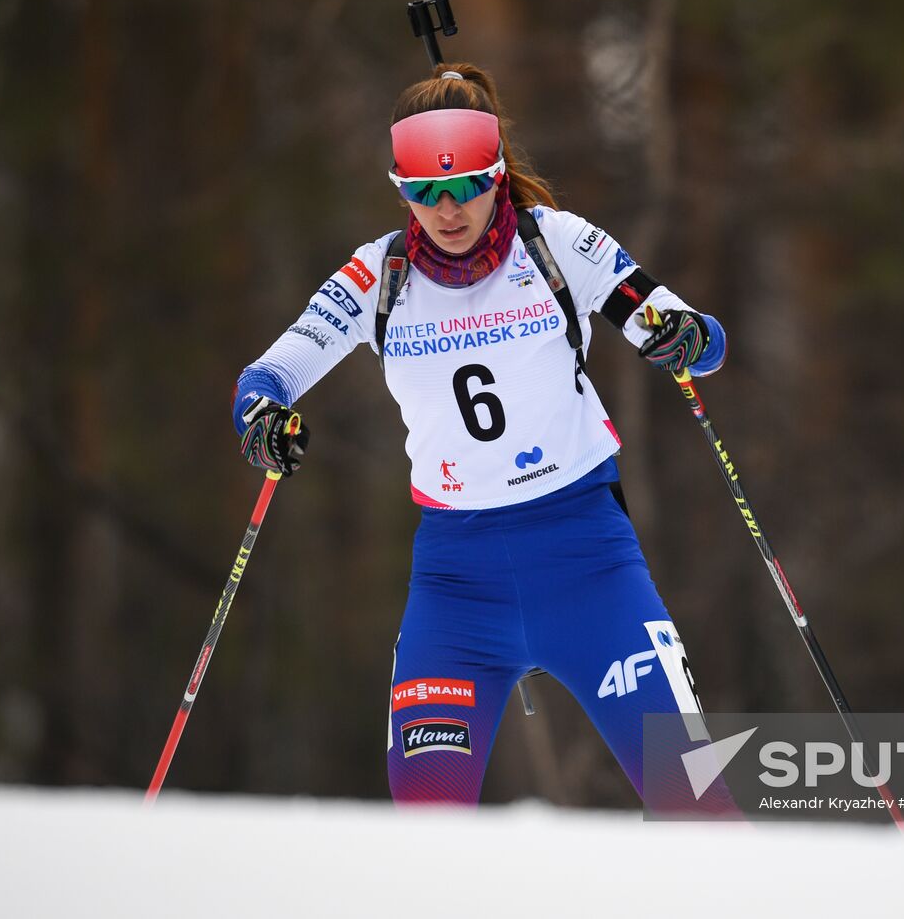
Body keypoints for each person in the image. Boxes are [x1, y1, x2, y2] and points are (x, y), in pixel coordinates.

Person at [232, 63, 733, 810]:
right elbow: (267, 375)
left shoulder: (557, 244)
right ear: (400, 190)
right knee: (428, 833)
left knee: (696, 805)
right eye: (423, 191)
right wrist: (260, 420)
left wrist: (686, 336)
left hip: (589, 565)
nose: (447, 207)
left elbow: (694, 334)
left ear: (497, 175)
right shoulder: (379, 276)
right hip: (457, 588)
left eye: (464, 183)